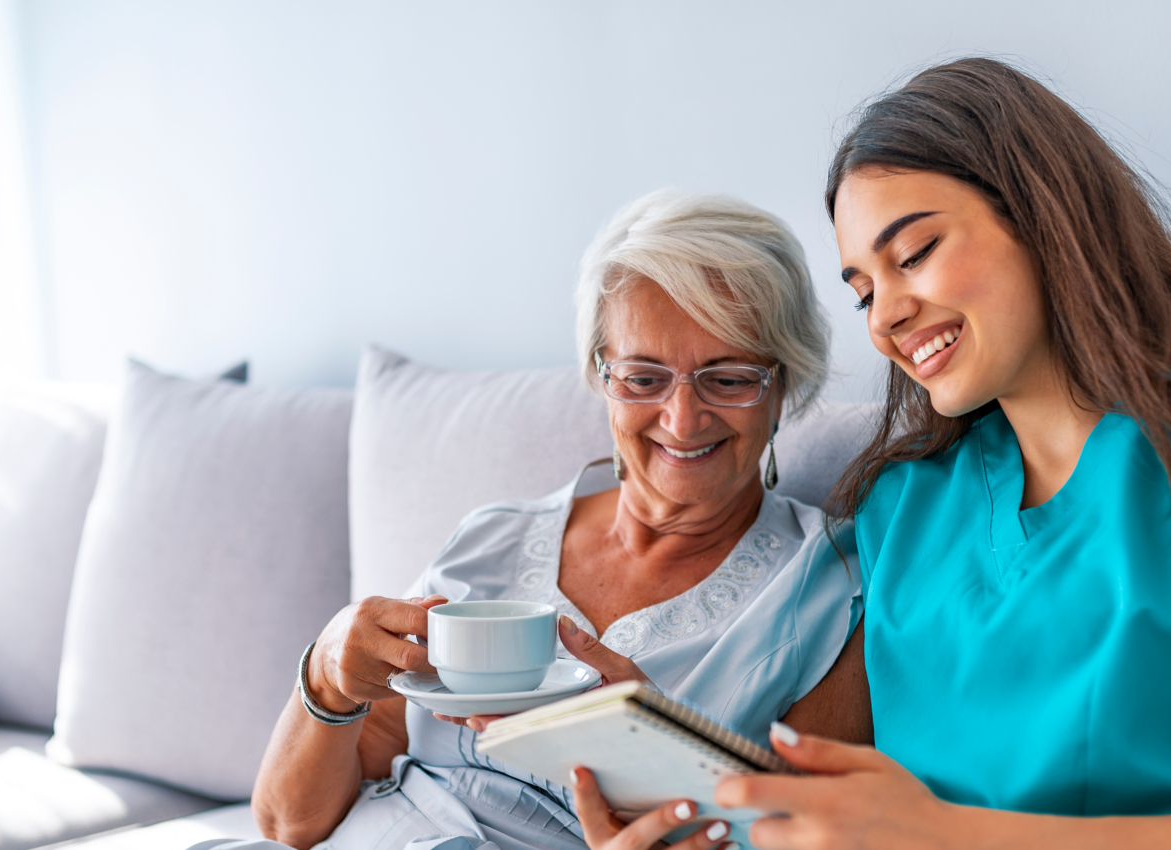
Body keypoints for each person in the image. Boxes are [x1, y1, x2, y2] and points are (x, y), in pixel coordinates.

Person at [698, 58, 1171, 849]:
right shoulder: (900, 505)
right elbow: (827, 804)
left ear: (1042, 215)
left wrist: (948, 836)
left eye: (912, 255)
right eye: (864, 292)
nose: (885, 320)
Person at [243, 189, 868, 850]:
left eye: (731, 377)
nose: (682, 420)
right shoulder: (490, 541)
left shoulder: (831, 588)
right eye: (642, 377)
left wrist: (655, 757)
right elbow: (290, 824)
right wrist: (324, 675)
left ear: (784, 384)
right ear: (601, 376)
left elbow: (814, 835)